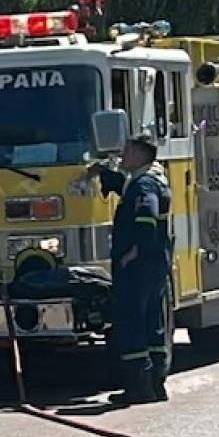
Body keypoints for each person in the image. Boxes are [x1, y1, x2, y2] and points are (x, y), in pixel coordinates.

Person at [93, 134, 173, 403]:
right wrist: (103, 174)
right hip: (155, 263)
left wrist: (133, 251)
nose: (122, 156)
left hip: (138, 266)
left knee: (131, 321)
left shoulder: (144, 185)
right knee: (152, 321)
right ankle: (156, 384)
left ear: (139, 155)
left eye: (127, 151)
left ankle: (138, 387)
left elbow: (146, 215)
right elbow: (127, 188)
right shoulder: (151, 179)